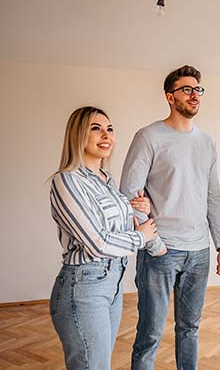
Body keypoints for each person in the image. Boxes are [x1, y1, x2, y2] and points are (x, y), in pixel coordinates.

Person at [120, 65, 220, 370]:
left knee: (189, 330)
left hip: (199, 251)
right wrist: (153, 242)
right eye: (186, 89)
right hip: (161, 251)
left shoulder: (207, 142)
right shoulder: (149, 136)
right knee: (150, 333)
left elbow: (213, 196)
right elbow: (129, 194)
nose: (194, 95)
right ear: (170, 97)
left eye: (198, 89)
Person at [49, 106, 158, 370]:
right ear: (78, 135)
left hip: (113, 282)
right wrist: (140, 237)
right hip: (84, 286)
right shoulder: (67, 180)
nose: (105, 135)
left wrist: (134, 209)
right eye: (95, 129)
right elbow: (97, 242)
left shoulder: (106, 180)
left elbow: (109, 226)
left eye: (110, 129)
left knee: (97, 364)